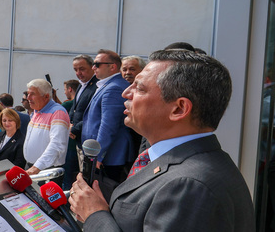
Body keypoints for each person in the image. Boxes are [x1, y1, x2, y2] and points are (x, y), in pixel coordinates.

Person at [69, 50, 255, 231]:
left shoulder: (189, 185)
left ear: (179, 109)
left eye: (139, 88)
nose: (126, 93)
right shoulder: (178, 164)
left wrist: (94, 215)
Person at [80, 49, 132, 183]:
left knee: (105, 193)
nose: (93, 67)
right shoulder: (109, 85)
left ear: (112, 67)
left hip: (110, 156)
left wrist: (98, 156)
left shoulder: (113, 87)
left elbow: (109, 125)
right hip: (106, 155)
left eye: (97, 64)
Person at [22, 79, 69, 177]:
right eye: (28, 94)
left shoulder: (58, 112)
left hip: (46, 171)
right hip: (33, 168)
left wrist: (37, 167)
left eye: (32, 94)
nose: (28, 98)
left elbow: (57, 144)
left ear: (46, 96)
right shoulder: (36, 110)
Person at [66, 54, 98, 189]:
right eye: (75, 70)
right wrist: (70, 125)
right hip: (79, 138)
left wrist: (75, 128)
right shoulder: (81, 85)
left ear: (92, 67)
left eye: (82, 69)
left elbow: (94, 115)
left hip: (88, 139)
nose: (78, 73)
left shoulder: (97, 86)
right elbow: (75, 108)